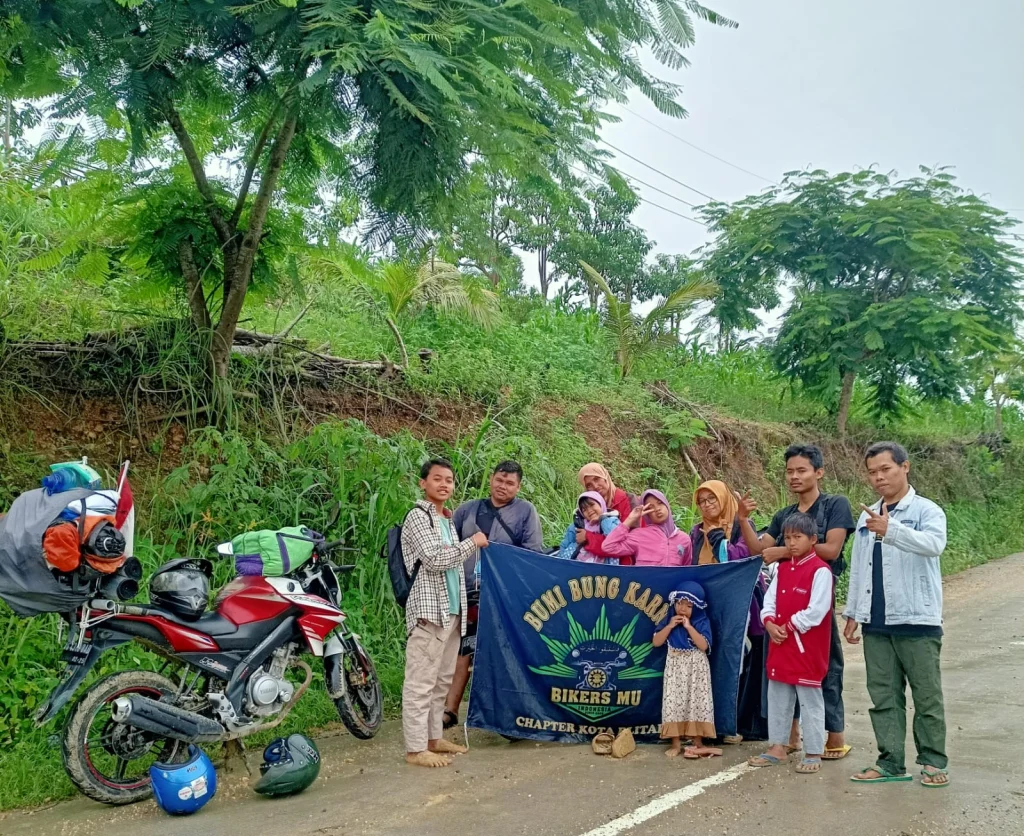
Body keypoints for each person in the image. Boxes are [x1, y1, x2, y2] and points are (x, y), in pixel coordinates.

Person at [844, 442, 949, 788]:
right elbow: (860, 568)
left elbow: (934, 545)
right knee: (884, 695)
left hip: (918, 620)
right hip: (877, 623)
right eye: (872, 472)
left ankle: (933, 761)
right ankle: (890, 761)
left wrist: (892, 530)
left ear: (905, 467)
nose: (878, 478)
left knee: (926, 695)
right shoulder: (866, 515)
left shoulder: (926, 510)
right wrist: (853, 612)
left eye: (885, 469)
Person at [740, 443, 855, 760]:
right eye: (789, 471)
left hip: (817, 598)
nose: (794, 476)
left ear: (818, 472)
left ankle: (834, 738)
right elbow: (758, 550)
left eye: (801, 470)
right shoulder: (785, 515)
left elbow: (831, 550)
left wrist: (784, 551)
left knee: (826, 669)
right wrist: (742, 520)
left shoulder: (835, 505)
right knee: (782, 670)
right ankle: (788, 738)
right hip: (785, 595)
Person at [401, 458, 488, 768]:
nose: (444, 484)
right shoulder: (417, 517)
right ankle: (414, 749)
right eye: (437, 479)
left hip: (452, 610)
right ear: (423, 483)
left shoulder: (447, 520)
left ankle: (433, 738)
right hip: (429, 610)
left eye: (449, 480)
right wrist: (472, 544)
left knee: (441, 680)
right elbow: (435, 559)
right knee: (420, 681)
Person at [444, 461, 543, 728]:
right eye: (500, 480)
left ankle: (509, 712)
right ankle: (450, 709)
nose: (503, 486)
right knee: (463, 646)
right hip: (466, 591)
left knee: (503, 649)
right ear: (491, 479)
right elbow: (447, 543)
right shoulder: (468, 510)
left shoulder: (525, 512)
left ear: (518, 487)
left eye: (510, 483)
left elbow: (532, 553)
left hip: (504, 595)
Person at [748, 512, 834, 775]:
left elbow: (817, 611)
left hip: (806, 649)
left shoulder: (821, 571)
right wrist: (770, 623)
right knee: (777, 696)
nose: (792, 543)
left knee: (810, 699)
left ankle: (813, 750)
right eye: (787, 538)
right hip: (780, 644)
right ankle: (778, 746)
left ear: (813, 539)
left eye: (798, 537)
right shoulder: (783, 568)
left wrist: (790, 626)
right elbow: (769, 601)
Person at [688, 480, 765, 742]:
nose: (708, 505)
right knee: (704, 662)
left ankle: (730, 724)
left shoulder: (741, 526)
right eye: (702, 501)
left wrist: (722, 541)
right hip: (707, 605)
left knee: (733, 662)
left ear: (723, 500)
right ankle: (705, 723)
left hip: (738, 606)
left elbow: (743, 560)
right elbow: (692, 563)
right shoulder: (697, 531)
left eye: (713, 499)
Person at [653, 581, 721, 759]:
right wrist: (669, 626)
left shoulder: (701, 621)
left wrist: (689, 627)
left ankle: (697, 741)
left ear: (697, 607)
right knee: (674, 702)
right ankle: (675, 742)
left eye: (688, 605)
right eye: (679, 604)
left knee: (696, 701)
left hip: (696, 667)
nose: (682, 609)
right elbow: (656, 642)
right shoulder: (668, 620)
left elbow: (704, 645)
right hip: (675, 666)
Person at [601, 489, 691, 567]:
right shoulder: (639, 535)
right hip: (645, 586)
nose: (657, 509)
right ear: (647, 515)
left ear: (667, 505)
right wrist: (630, 520)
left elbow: (686, 570)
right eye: (651, 507)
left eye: (660, 503)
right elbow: (608, 547)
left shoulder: (684, 539)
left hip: (671, 587)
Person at [576, 463, 637, 564]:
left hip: (626, 568)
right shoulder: (588, 508)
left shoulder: (629, 502)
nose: (595, 486)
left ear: (605, 476)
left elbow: (628, 544)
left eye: (596, 479)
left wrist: (588, 538)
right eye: (589, 485)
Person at [555, 492, 621, 562]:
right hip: (579, 564)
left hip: (603, 565)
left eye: (592, 505)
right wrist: (560, 561)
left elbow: (615, 538)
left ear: (601, 504)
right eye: (584, 509)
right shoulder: (579, 524)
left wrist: (603, 519)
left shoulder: (611, 520)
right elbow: (566, 543)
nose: (589, 510)